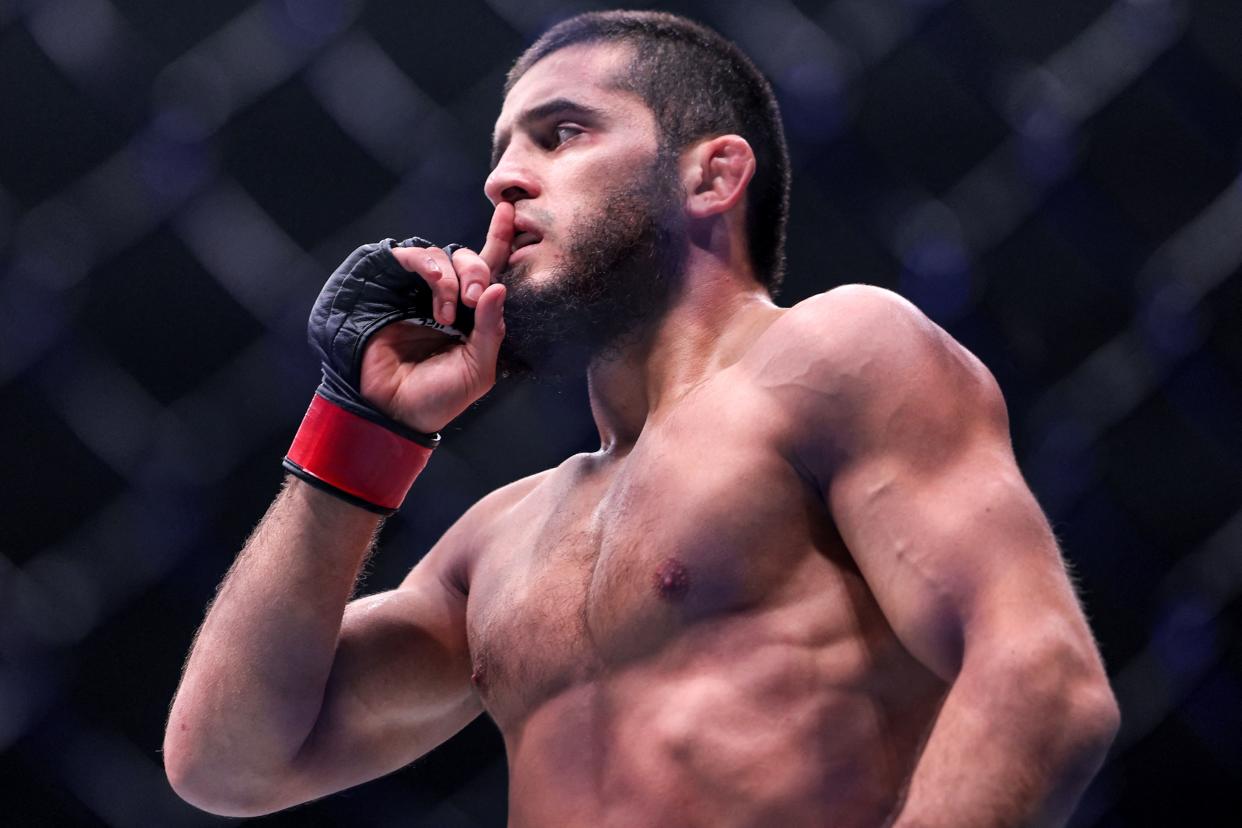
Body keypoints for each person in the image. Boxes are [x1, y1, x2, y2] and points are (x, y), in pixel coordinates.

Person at [163, 11, 1119, 826]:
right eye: (501, 152)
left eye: (562, 132)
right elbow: (230, 764)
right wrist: (360, 427)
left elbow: (1039, 677)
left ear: (712, 177)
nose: (504, 180)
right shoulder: (503, 535)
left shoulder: (835, 355)